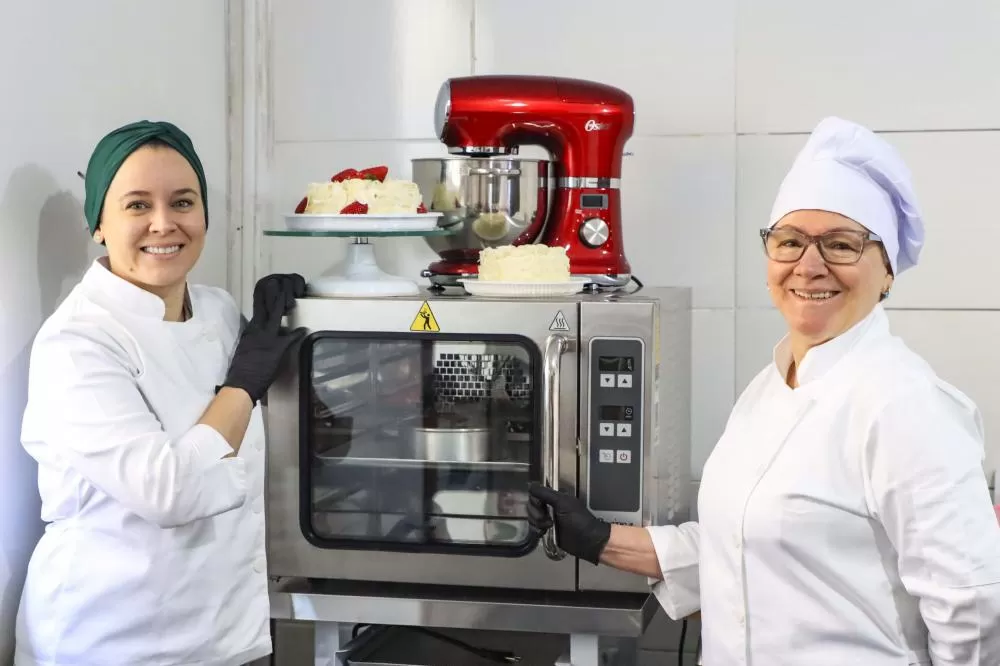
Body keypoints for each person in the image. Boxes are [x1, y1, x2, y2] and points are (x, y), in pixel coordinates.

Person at [528, 117, 1000, 664]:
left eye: (841, 245)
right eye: (790, 241)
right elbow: (739, 548)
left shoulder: (906, 405)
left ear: (888, 272)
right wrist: (600, 539)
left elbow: (974, 606)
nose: (809, 266)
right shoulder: (770, 386)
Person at [14, 120, 305, 666]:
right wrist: (243, 385)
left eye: (183, 202)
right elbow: (170, 491)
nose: (164, 223)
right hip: (110, 639)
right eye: (137, 205)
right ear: (99, 224)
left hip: (223, 631)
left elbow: (253, 450)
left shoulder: (217, 310)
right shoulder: (77, 343)